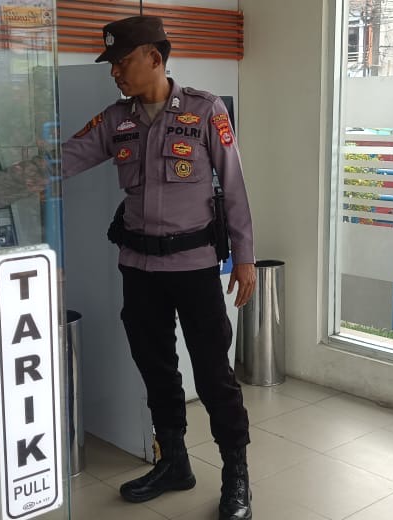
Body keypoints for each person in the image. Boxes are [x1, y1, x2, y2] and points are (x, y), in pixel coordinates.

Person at [59, 15, 256, 520]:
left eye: (121, 61)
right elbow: (65, 159)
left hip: (194, 268)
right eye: (111, 64)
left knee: (213, 375)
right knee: (156, 369)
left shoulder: (205, 109)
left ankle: (236, 475)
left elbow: (234, 187)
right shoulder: (115, 120)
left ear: (154, 57)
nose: (114, 72)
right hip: (139, 268)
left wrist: (245, 257)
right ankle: (174, 463)